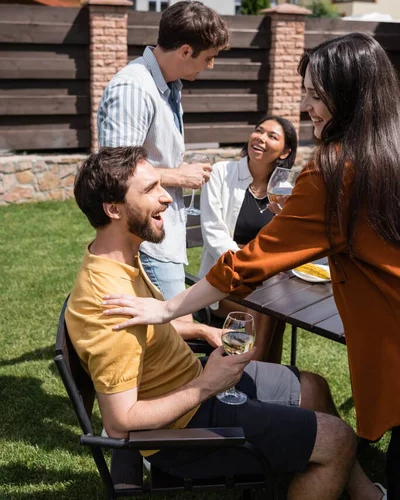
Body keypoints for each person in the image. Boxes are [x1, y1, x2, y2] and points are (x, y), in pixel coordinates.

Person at [106, 33, 398, 499]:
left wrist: (166, 310)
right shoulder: (388, 154)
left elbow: (247, 263)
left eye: (316, 95)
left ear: (351, 96)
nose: (306, 106)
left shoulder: (335, 169)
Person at [68, 146, 375, 499]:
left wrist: (200, 329)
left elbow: (143, 330)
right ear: (113, 209)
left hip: (195, 383)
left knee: (314, 387)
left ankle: (365, 492)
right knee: (338, 439)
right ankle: (338, 460)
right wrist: (207, 385)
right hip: (180, 433)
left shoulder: (117, 263)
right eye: (150, 189)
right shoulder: (107, 302)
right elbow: (119, 422)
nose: (167, 197)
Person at [97, 0, 230, 311]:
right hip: (145, 240)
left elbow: (144, 158)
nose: (210, 66)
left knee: (166, 339)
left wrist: (174, 168)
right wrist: (178, 175)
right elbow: (115, 173)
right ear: (185, 51)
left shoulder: (168, 86)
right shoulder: (133, 88)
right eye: (209, 58)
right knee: (176, 334)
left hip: (161, 233)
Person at [198, 115, 298, 362]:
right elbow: (214, 233)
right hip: (222, 281)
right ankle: (258, 372)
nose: (261, 138)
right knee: (270, 310)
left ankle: (260, 374)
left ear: (285, 153)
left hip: (265, 282)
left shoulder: (283, 190)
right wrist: (252, 264)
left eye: (271, 136)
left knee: (275, 305)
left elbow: (285, 243)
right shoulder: (222, 173)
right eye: (258, 131)